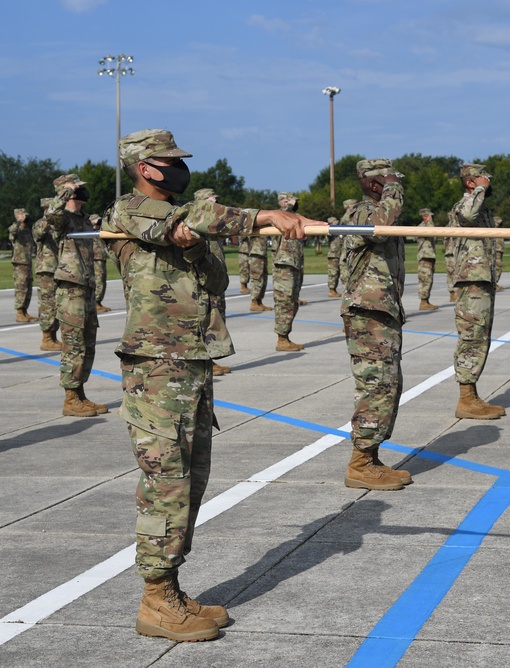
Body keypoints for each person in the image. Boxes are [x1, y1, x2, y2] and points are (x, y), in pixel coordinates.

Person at [103, 128, 315, 642]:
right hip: (157, 366)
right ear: (144, 167)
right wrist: (267, 216)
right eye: (167, 161)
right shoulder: (128, 211)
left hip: (191, 362)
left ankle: (169, 588)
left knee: (191, 480)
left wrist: (204, 241)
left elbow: (211, 273)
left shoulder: (185, 221)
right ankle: (155, 600)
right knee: (166, 482)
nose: (177, 167)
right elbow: (185, 226)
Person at [340, 158, 413, 492]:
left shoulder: (379, 210)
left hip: (383, 310)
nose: (396, 182)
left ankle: (370, 456)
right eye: (389, 178)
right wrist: (394, 188)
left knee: (388, 385)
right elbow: (382, 224)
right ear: (373, 184)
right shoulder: (360, 214)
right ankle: (360, 464)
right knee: (376, 387)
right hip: (367, 311)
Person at [46, 174, 105, 418]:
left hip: (87, 286)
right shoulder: (63, 219)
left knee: (88, 342)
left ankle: (80, 393)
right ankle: (70, 398)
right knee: (74, 344)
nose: (83, 192)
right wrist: (64, 192)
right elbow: (51, 214)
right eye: (78, 188)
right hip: (71, 288)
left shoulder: (82, 219)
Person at [450, 164, 506, 420]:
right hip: (471, 279)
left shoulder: (482, 206)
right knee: (472, 337)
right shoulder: (465, 204)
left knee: (481, 337)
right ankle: (465, 400)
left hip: (481, 278)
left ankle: (471, 394)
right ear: (471, 182)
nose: (489, 182)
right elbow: (468, 216)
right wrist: (481, 188)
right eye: (485, 179)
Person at [193, 188, 233, 376]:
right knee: (205, 320)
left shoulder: (214, 222)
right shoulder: (199, 222)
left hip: (216, 280)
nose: (216, 201)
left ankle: (212, 359)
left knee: (217, 319)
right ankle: (206, 361)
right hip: (205, 281)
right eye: (212, 199)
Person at [273, 192, 307, 351]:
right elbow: (284, 214)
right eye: (288, 201)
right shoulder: (278, 216)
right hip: (284, 264)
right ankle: (282, 339)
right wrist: (288, 205)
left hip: (296, 263)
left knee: (293, 301)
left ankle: (286, 336)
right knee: (284, 301)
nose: (293, 204)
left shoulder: (295, 217)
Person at [33, 197, 62, 351]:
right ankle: (46, 338)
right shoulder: (40, 223)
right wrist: (49, 218)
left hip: (58, 268)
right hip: (46, 269)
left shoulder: (57, 225)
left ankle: (53, 337)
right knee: (47, 304)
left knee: (56, 304)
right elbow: (39, 233)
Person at [9, 208, 37, 323]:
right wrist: (18, 221)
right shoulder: (15, 229)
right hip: (20, 263)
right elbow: (12, 232)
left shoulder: (27, 230)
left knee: (28, 287)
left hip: (27, 262)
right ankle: (19, 313)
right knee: (21, 288)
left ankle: (25, 311)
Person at [247, 211, 271, 311]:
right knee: (257, 278)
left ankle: (259, 301)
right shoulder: (252, 224)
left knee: (263, 278)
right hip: (256, 254)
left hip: (262, 253)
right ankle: (254, 302)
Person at [416, 207, 439, 310]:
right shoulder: (423, 227)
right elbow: (431, 232)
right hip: (425, 256)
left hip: (429, 256)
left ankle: (426, 301)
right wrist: (428, 221)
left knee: (428, 279)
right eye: (430, 216)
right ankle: (423, 302)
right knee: (425, 279)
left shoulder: (428, 225)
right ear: (425, 216)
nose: (431, 218)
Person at [90, 213, 111, 313]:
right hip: (94, 258)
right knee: (98, 280)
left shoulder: (100, 233)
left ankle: (98, 302)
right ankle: (95, 302)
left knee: (102, 280)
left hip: (101, 258)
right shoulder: (89, 233)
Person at [326, 215, 343, 297]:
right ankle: (332, 290)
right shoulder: (329, 231)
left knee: (343, 272)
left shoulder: (340, 231)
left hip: (341, 254)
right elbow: (328, 234)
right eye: (334, 222)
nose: (336, 222)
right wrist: (332, 226)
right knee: (333, 273)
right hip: (333, 254)